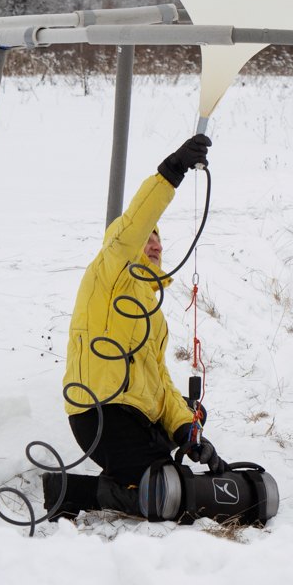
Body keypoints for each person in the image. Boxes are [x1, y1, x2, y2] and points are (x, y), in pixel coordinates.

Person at [42, 134, 219, 521]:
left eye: (158, 239)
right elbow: (136, 222)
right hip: (102, 410)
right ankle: (65, 491)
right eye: (147, 238)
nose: (154, 244)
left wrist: (184, 428)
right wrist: (171, 172)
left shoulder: (152, 310)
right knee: (166, 489)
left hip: (140, 418)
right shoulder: (110, 270)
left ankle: (79, 490)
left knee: (178, 484)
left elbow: (159, 381)